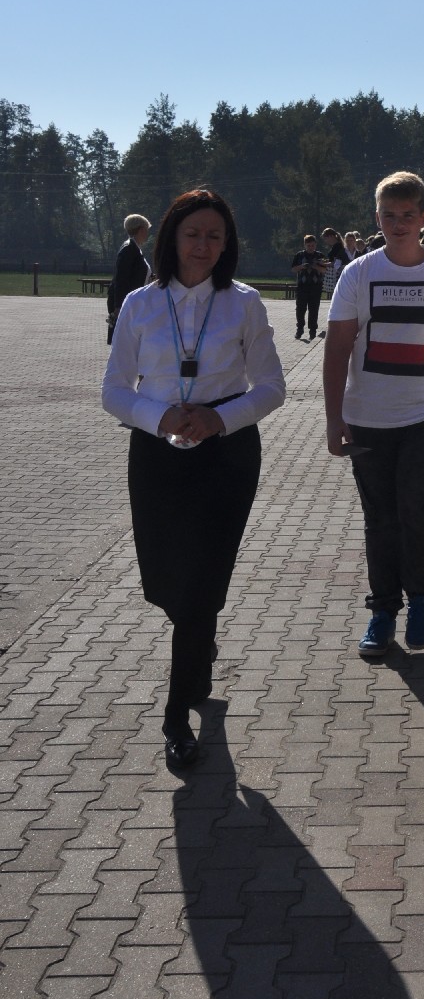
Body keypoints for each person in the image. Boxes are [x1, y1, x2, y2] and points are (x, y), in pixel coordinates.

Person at [101, 188, 286, 769]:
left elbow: (271, 386)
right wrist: (158, 418)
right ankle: (199, 636)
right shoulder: (140, 304)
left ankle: (176, 715)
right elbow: (113, 390)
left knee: (201, 580)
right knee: (165, 582)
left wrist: (219, 419)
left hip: (225, 455)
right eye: (193, 234)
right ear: (171, 238)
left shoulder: (244, 304)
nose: (203, 245)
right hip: (157, 452)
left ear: (227, 244)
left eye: (214, 236)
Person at [323, 171, 424, 660]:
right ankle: (383, 611)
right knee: (381, 518)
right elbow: (337, 347)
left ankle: (420, 596)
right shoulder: (358, 274)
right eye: (389, 216)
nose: (399, 224)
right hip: (369, 414)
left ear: (423, 218)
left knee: (420, 508)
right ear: (377, 218)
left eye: (408, 215)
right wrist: (333, 417)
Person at [107, 214, 151, 345]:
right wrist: (119, 306)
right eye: (146, 230)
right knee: (124, 342)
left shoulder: (135, 248)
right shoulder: (128, 249)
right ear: (141, 230)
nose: (147, 234)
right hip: (125, 303)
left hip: (134, 301)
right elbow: (121, 279)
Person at [290, 234, 328, 340]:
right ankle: (300, 328)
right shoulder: (299, 255)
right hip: (302, 286)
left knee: (313, 309)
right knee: (300, 309)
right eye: (309, 245)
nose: (311, 247)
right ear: (305, 245)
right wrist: (302, 266)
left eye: (312, 245)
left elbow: (325, 270)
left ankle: (312, 330)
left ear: (315, 245)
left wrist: (315, 266)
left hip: (316, 287)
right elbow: (293, 269)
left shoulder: (320, 256)